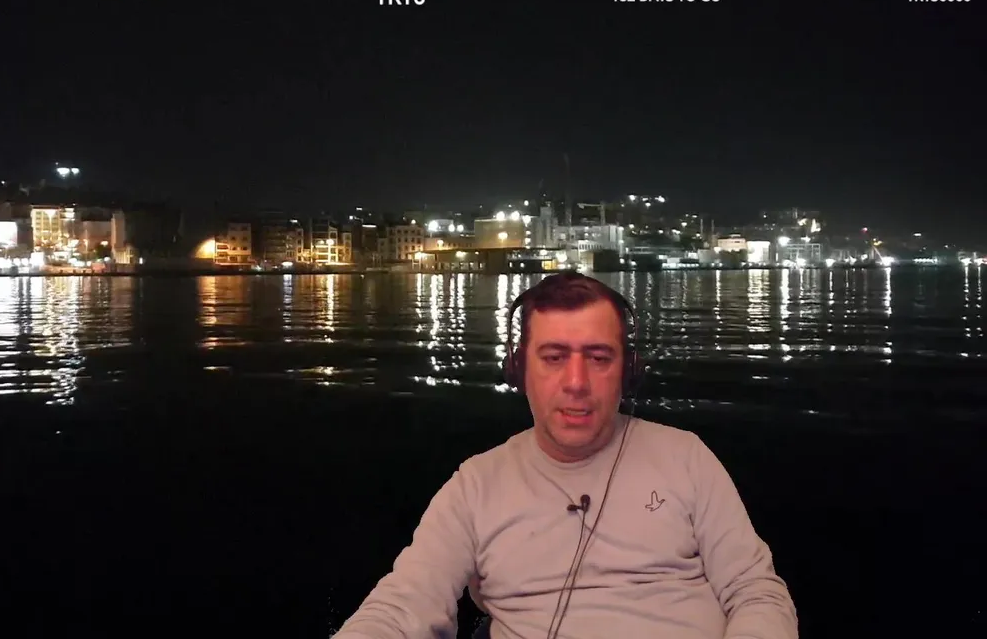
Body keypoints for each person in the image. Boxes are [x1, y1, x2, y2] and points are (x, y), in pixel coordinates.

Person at [334, 271, 797, 638]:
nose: (577, 383)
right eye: (554, 357)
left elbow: (755, 591)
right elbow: (403, 607)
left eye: (598, 357)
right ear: (519, 369)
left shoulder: (686, 457)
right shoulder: (474, 486)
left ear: (628, 371)